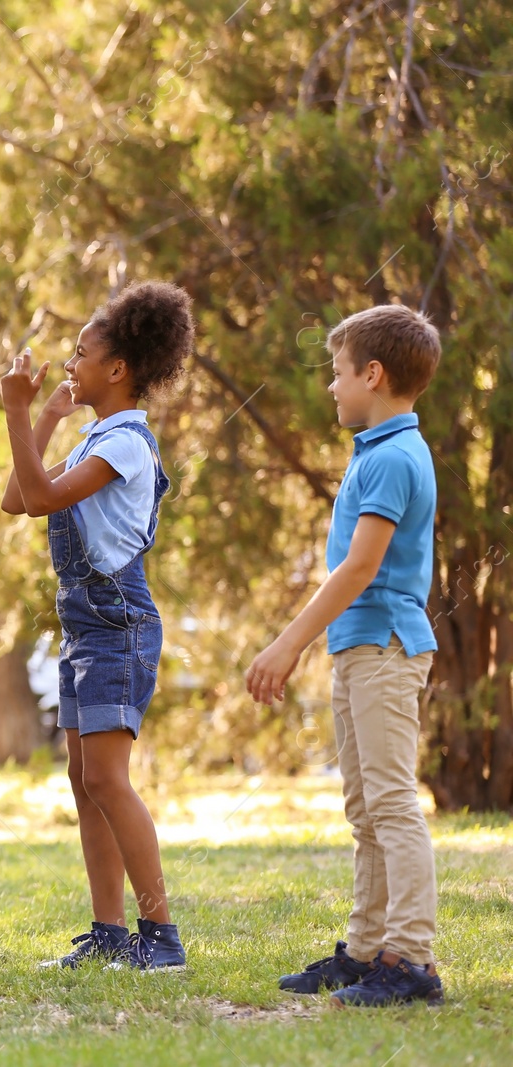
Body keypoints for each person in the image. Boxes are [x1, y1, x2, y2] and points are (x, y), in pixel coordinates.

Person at [248, 304, 444, 1007]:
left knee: (391, 804)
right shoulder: (379, 451)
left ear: (373, 373)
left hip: (386, 647)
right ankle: (367, 950)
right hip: (361, 649)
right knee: (365, 808)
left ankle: (412, 959)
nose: (332, 387)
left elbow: (360, 567)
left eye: (337, 374)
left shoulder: (393, 456)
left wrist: (287, 642)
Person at [0, 282, 194, 972]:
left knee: (109, 780)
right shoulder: (96, 436)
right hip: (84, 624)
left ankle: (161, 936)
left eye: (81, 354)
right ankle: (109, 933)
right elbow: (16, 498)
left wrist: (19, 412)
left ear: (118, 370)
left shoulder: (128, 443)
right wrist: (43, 414)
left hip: (118, 619)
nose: (69, 363)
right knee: (85, 779)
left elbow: (45, 495)